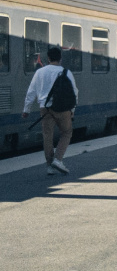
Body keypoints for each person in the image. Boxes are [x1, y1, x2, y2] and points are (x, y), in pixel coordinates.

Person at [22, 46, 77, 175]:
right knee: (67, 132)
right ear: (60, 59)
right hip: (63, 108)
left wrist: (26, 110)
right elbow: (74, 92)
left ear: (48, 58)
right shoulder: (66, 72)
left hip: (45, 109)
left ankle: (49, 166)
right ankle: (58, 159)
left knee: (48, 136)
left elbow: (31, 92)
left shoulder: (39, 72)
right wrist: (72, 109)